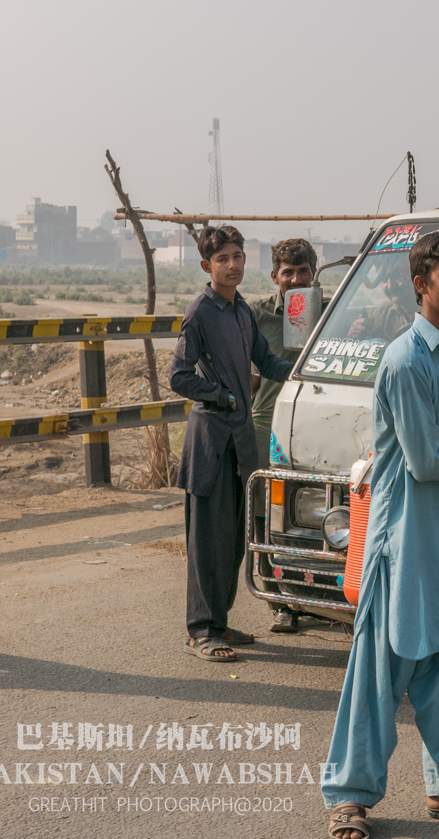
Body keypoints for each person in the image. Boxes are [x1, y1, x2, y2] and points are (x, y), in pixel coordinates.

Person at [321, 231, 439, 838]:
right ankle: (350, 796)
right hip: (406, 545)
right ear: (420, 285)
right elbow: (427, 461)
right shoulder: (406, 359)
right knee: (381, 678)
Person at [169, 225, 295, 662]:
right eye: (223, 259)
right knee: (207, 537)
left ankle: (218, 621)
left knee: (233, 537)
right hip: (210, 441)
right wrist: (220, 394)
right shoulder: (200, 311)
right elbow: (178, 375)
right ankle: (201, 631)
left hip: (239, 442)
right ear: (207, 266)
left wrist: (307, 370)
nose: (233, 265)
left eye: (238, 256)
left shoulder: (240, 309)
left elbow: (269, 360)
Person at [252, 238, 316, 633]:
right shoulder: (257, 314)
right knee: (266, 513)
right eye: (287, 272)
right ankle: (280, 600)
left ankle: (318, 593)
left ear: (314, 272)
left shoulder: (330, 311)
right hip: (267, 421)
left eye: (303, 271)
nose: (295, 279)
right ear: (275, 275)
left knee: (310, 512)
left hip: (314, 420)